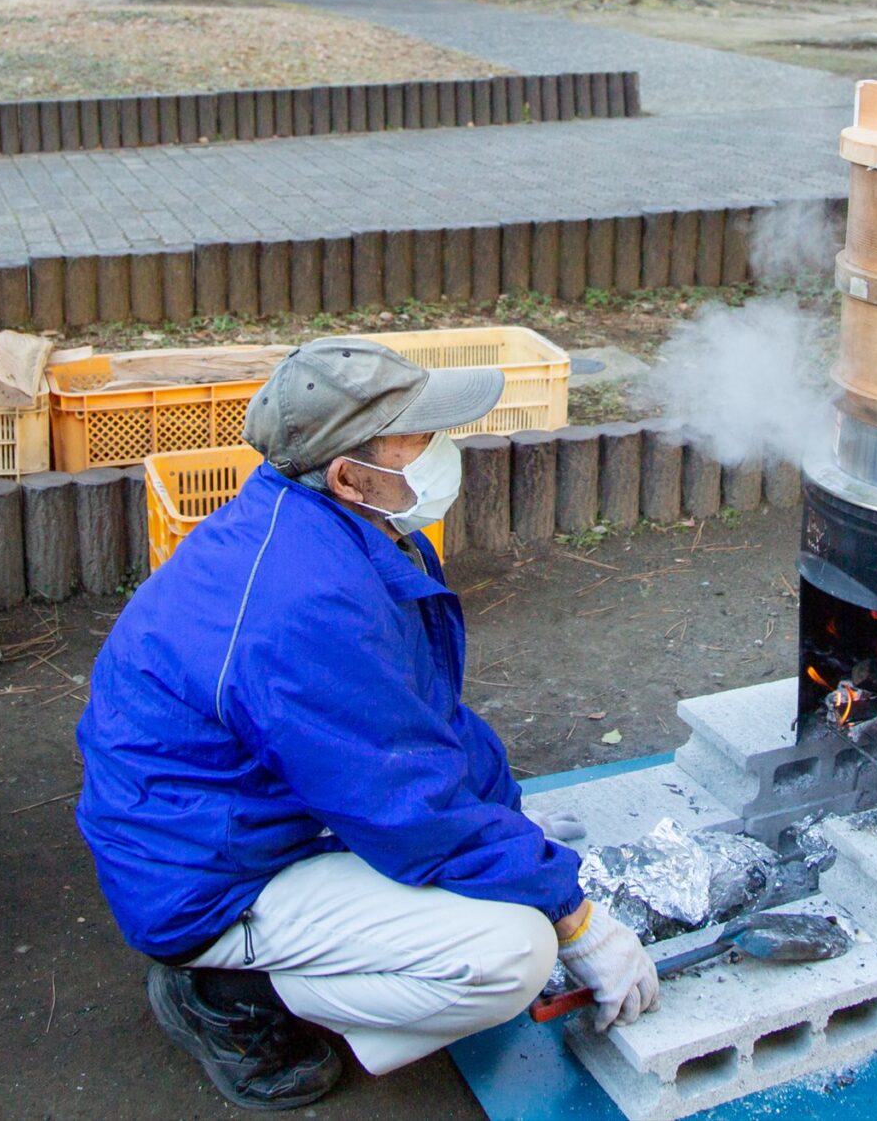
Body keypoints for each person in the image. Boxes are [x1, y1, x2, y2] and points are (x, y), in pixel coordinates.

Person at [75, 339, 661, 1110]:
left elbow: (426, 726)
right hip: (206, 876)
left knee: (501, 875)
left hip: (243, 820)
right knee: (513, 954)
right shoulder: (308, 602)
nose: (443, 450)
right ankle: (228, 993)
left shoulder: (345, 530)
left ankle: (300, 968)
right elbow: (403, 798)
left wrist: (512, 830)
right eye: (420, 438)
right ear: (349, 474)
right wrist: (575, 919)